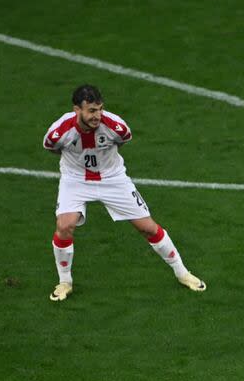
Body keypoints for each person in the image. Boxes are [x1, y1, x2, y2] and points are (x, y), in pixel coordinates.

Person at [43, 84, 206, 301]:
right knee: (65, 225)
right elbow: (51, 147)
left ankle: (182, 273)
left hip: (113, 178)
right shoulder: (59, 131)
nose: (97, 115)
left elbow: (124, 140)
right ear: (77, 110)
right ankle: (65, 282)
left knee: (147, 227)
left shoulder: (115, 126)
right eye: (91, 111)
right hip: (75, 180)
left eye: (100, 109)